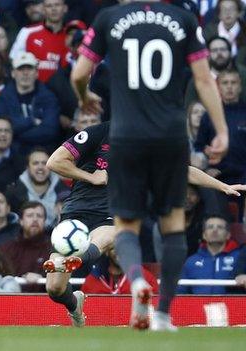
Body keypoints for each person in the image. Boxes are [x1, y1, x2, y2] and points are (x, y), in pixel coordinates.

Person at [71, 0, 230, 331]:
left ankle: (136, 281)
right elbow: (203, 79)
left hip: (126, 136)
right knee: (172, 226)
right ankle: (162, 314)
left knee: (126, 225)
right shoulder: (184, 19)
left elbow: (79, 73)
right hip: (170, 137)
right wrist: (222, 129)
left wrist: (82, 95)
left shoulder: (108, 19)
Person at [43, 120, 241, 329]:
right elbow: (54, 162)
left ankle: (71, 260)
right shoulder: (98, 133)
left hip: (114, 213)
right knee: (55, 288)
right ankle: (74, 305)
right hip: (75, 213)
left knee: (100, 241)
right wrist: (91, 177)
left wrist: (223, 186)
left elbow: (184, 171)